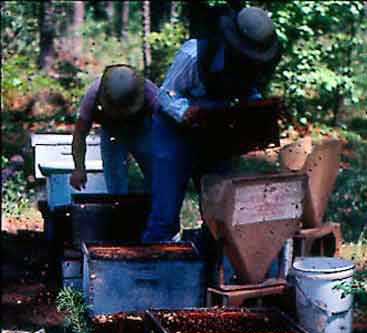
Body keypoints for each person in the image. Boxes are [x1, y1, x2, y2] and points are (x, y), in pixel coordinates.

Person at [142, 6, 282, 243]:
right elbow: (166, 95)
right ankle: (152, 271)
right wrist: (185, 112)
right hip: (174, 133)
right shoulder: (194, 53)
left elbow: (251, 95)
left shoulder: (252, 66)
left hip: (214, 133)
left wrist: (260, 115)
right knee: (164, 214)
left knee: (221, 210)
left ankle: (209, 267)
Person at [70, 64, 158, 194]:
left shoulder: (151, 93)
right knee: (115, 181)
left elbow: (166, 127)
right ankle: (119, 208)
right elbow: (79, 135)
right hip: (111, 133)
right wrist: (79, 168)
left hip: (143, 130)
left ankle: (158, 209)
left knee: (158, 175)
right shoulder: (92, 96)